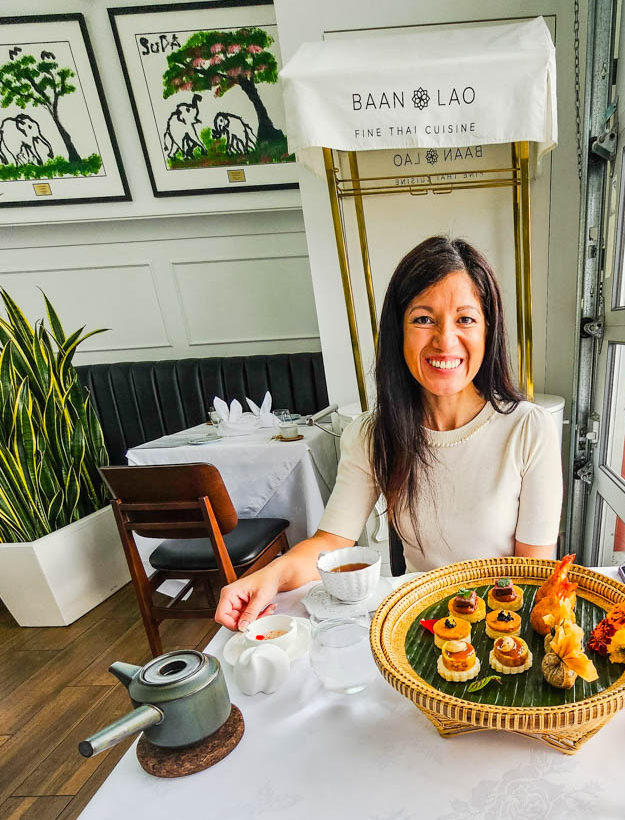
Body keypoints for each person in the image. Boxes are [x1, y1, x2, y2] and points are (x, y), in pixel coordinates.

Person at [215, 235, 563, 632]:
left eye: (465, 319)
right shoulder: (373, 435)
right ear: (398, 332)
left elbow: (535, 574)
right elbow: (330, 544)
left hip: (503, 628)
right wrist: (269, 575)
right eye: (423, 318)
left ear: (488, 330)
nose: (444, 340)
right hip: (421, 627)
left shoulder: (529, 429)